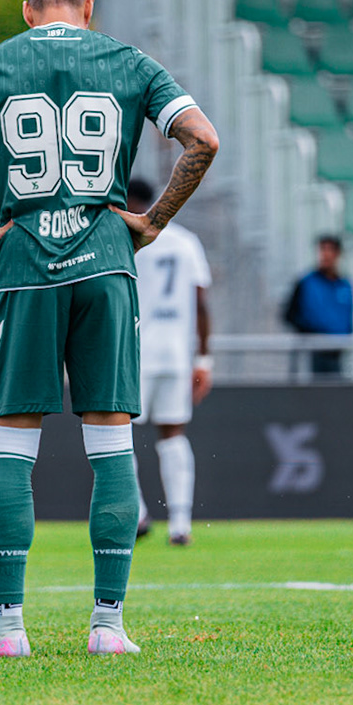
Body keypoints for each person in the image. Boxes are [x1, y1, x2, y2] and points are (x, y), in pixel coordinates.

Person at [0, 0, 217, 658]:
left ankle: (9, 628)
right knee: (111, 443)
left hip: (22, 263)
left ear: (27, 10)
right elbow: (203, 139)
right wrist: (153, 222)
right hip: (107, 259)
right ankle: (108, 627)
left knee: (13, 451)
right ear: (89, 7)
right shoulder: (129, 61)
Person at [127, 176, 212, 545]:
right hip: (177, 353)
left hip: (134, 352)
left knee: (118, 434)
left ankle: (140, 513)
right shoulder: (186, 241)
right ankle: (181, 524)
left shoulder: (128, 239)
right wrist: (204, 359)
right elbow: (201, 304)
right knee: (174, 433)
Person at [283, 236, 353, 377]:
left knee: (336, 393)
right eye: (322, 250)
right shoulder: (306, 282)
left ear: (338, 254)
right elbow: (289, 315)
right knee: (311, 394)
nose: (325, 255)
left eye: (330, 250)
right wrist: (311, 332)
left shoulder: (345, 286)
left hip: (336, 354)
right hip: (313, 351)